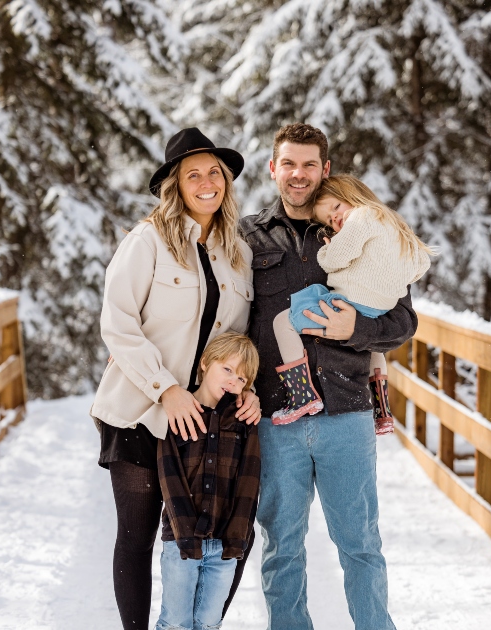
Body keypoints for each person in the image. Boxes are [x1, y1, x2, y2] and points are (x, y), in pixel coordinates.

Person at [239, 123, 418, 630]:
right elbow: (227, 319)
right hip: (276, 417)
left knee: (361, 544)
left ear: (326, 169)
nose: (299, 175)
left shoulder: (354, 225)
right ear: (274, 168)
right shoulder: (247, 236)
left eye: (310, 164)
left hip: (347, 415)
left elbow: (403, 321)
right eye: (289, 164)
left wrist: (355, 327)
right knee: (281, 548)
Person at [90, 128, 261, 630]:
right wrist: (167, 390)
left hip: (207, 422)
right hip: (141, 413)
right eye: (194, 175)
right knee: (139, 537)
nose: (207, 182)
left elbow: (238, 338)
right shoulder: (148, 241)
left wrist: (244, 387)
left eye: (215, 173)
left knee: (227, 539)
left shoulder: (239, 254)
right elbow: (117, 323)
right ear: (176, 185)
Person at [271, 174, 434, 431]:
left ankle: (301, 395)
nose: (335, 219)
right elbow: (421, 265)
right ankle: (382, 408)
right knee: (372, 347)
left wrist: (327, 249)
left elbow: (334, 259)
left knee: (283, 322)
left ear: (354, 195)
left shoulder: (362, 216)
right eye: (329, 220)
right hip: (379, 309)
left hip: (351, 304)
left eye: (336, 208)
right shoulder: (396, 228)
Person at [155, 332, 260, 630]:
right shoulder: (179, 414)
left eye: (241, 379)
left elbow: (248, 484)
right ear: (204, 363)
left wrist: (236, 538)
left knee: (209, 623)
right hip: (180, 541)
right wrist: (186, 533)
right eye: (227, 369)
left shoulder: (244, 424)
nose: (233, 381)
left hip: (224, 545)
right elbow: (169, 476)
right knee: (176, 623)